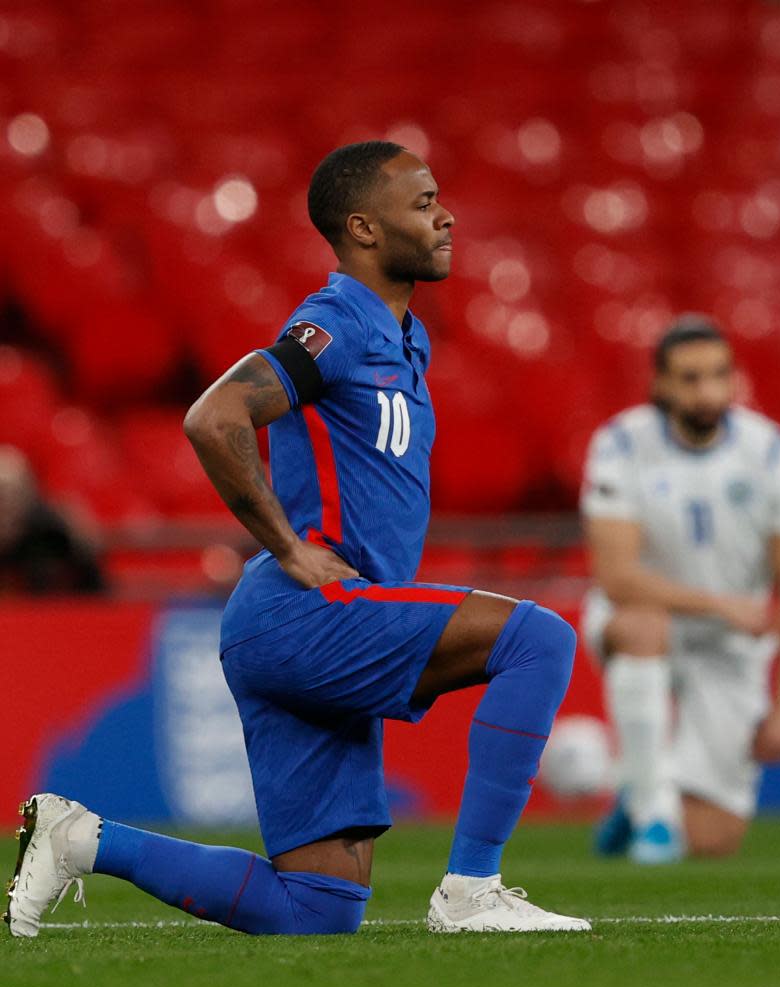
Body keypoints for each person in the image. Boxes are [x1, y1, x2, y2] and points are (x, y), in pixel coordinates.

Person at [6, 141, 590, 937]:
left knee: (316, 910)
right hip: (308, 611)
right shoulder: (337, 321)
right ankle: (472, 889)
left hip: (298, 627)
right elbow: (215, 416)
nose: (444, 214)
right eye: (421, 203)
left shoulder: (405, 337)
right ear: (364, 228)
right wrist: (286, 546)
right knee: (540, 640)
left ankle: (82, 839)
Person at [581, 315, 780, 863]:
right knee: (642, 626)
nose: (708, 391)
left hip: (729, 648)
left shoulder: (771, 453)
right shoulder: (620, 444)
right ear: (661, 383)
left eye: (718, 375)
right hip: (642, 617)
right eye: (691, 378)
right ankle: (654, 811)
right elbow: (618, 577)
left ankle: (633, 791)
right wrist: (722, 605)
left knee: (711, 840)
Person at [0, 445, 105, 595]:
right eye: (1, 493)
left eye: (13, 491)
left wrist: (81, 542)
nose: (6, 501)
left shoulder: (55, 534)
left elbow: (96, 593)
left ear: (30, 493)